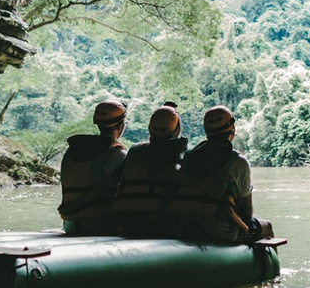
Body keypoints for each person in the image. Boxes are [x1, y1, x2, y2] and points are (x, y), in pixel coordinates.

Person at [173, 105, 272, 243]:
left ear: (207, 131)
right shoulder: (238, 161)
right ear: (232, 128)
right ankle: (268, 264)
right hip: (221, 232)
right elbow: (247, 212)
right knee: (267, 227)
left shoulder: (189, 156)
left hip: (186, 226)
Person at [109, 102, 189, 238]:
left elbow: (110, 181)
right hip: (156, 224)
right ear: (175, 130)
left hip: (126, 222)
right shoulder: (175, 156)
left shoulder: (135, 151)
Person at [57, 100, 128, 235]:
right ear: (120, 125)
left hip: (70, 224)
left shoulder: (70, 152)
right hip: (101, 223)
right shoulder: (117, 154)